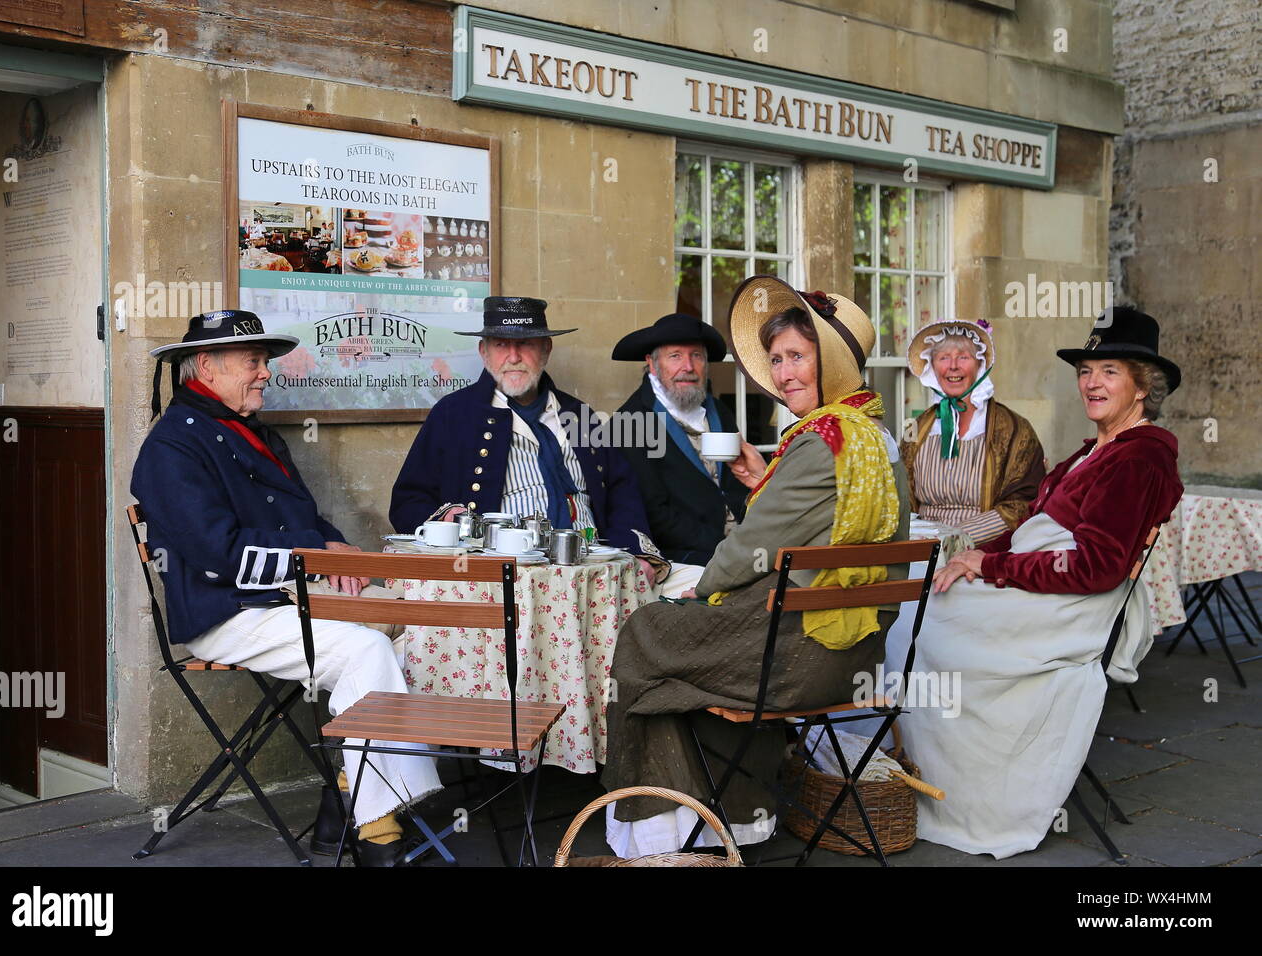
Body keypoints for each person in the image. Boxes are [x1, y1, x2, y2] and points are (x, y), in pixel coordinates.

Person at [600, 277, 912, 855]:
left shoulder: (824, 441)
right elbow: (799, 526)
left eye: (798, 357)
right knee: (674, 670)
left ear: (835, 364)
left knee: (645, 633)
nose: (785, 373)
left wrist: (704, 591)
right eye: (776, 360)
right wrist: (758, 483)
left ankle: (663, 829)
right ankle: (724, 818)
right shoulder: (876, 435)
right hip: (857, 654)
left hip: (800, 656)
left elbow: (748, 549)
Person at [131, 310, 439, 867]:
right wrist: (314, 559)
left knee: (417, 625)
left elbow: (305, 518)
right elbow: (220, 555)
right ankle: (376, 829)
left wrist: (335, 551)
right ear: (206, 366)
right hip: (225, 610)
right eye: (254, 362)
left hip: (283, 594)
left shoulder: (252, 431)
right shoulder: (171, 448)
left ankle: (345, 791)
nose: (266, 374)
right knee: (367, 649)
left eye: (265, 362)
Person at [902, 306, 1183, 859]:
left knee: (918, 625)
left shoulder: (1138, 459)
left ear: (1142, 388)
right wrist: (978, 555)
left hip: (1071, 612)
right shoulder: (1098, 449)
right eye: (1086, 371)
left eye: (1109, 372)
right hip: (1046, 593)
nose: (1092, 383)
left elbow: (1095, 568)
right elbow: (1033, 522)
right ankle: (908, 780)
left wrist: (994, 567)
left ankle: (958, 795)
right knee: (921, 591)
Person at [388, 296, 666, 580]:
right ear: (484, 352)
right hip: (500, 573)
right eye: (501, 345)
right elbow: (408, 502)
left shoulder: (579, 415)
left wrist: (636, 552)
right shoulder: (453, 414)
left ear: (546, 350)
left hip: (592, 567)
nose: (513, 357)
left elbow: (621, 492)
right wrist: (448, 518)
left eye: (525, 344)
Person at [611, 313, 752, 587]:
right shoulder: (629, 423)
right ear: (652, 364)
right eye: (675, 356)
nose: (688, 366)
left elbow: (737, 484)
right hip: (686, 558)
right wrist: (725, 548)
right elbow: (656, 514)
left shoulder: (718, 411)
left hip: (742, 549)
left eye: (697, 356)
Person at [900, 318, 1045, 546]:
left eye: (963, 357)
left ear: (980, 365)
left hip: (985, 552)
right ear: (932, 366)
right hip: (922, 552)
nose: (953, 366)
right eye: (943, 358)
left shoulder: (1014, 430)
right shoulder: (917, 429)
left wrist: (955, 540)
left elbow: (1023, 503)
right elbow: (901, 497)